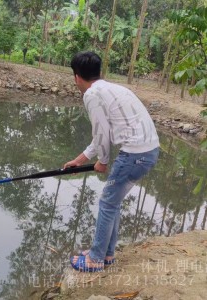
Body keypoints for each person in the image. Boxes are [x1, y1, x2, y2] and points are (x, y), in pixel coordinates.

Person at [64, 51, 160, 272]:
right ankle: (106, 254)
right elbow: (101, 135)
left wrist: (103, 161)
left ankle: (95, 259)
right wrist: (79, 160)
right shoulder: (112, 88)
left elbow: (101, 134)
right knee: (112, 202)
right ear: (99, 72)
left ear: (77, 77)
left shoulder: (91, 95)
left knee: (107, 203)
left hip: (135, 154)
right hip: (149, 151)